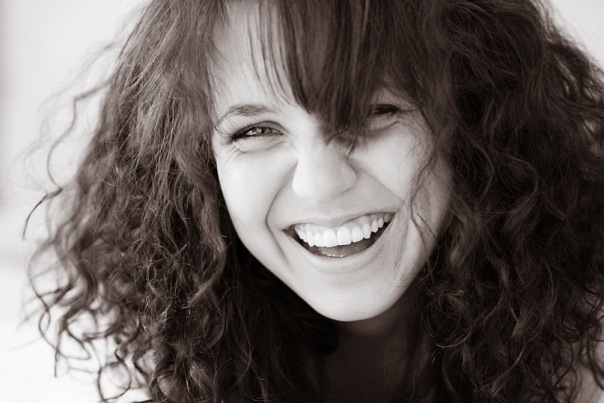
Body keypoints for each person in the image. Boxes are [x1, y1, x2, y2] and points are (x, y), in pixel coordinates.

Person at [28, 0, 604, 401]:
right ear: (196, 170)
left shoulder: (586, 343)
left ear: (471, 121)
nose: (320, 185)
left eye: (373, 112)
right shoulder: (176, 354)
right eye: (255, 131)